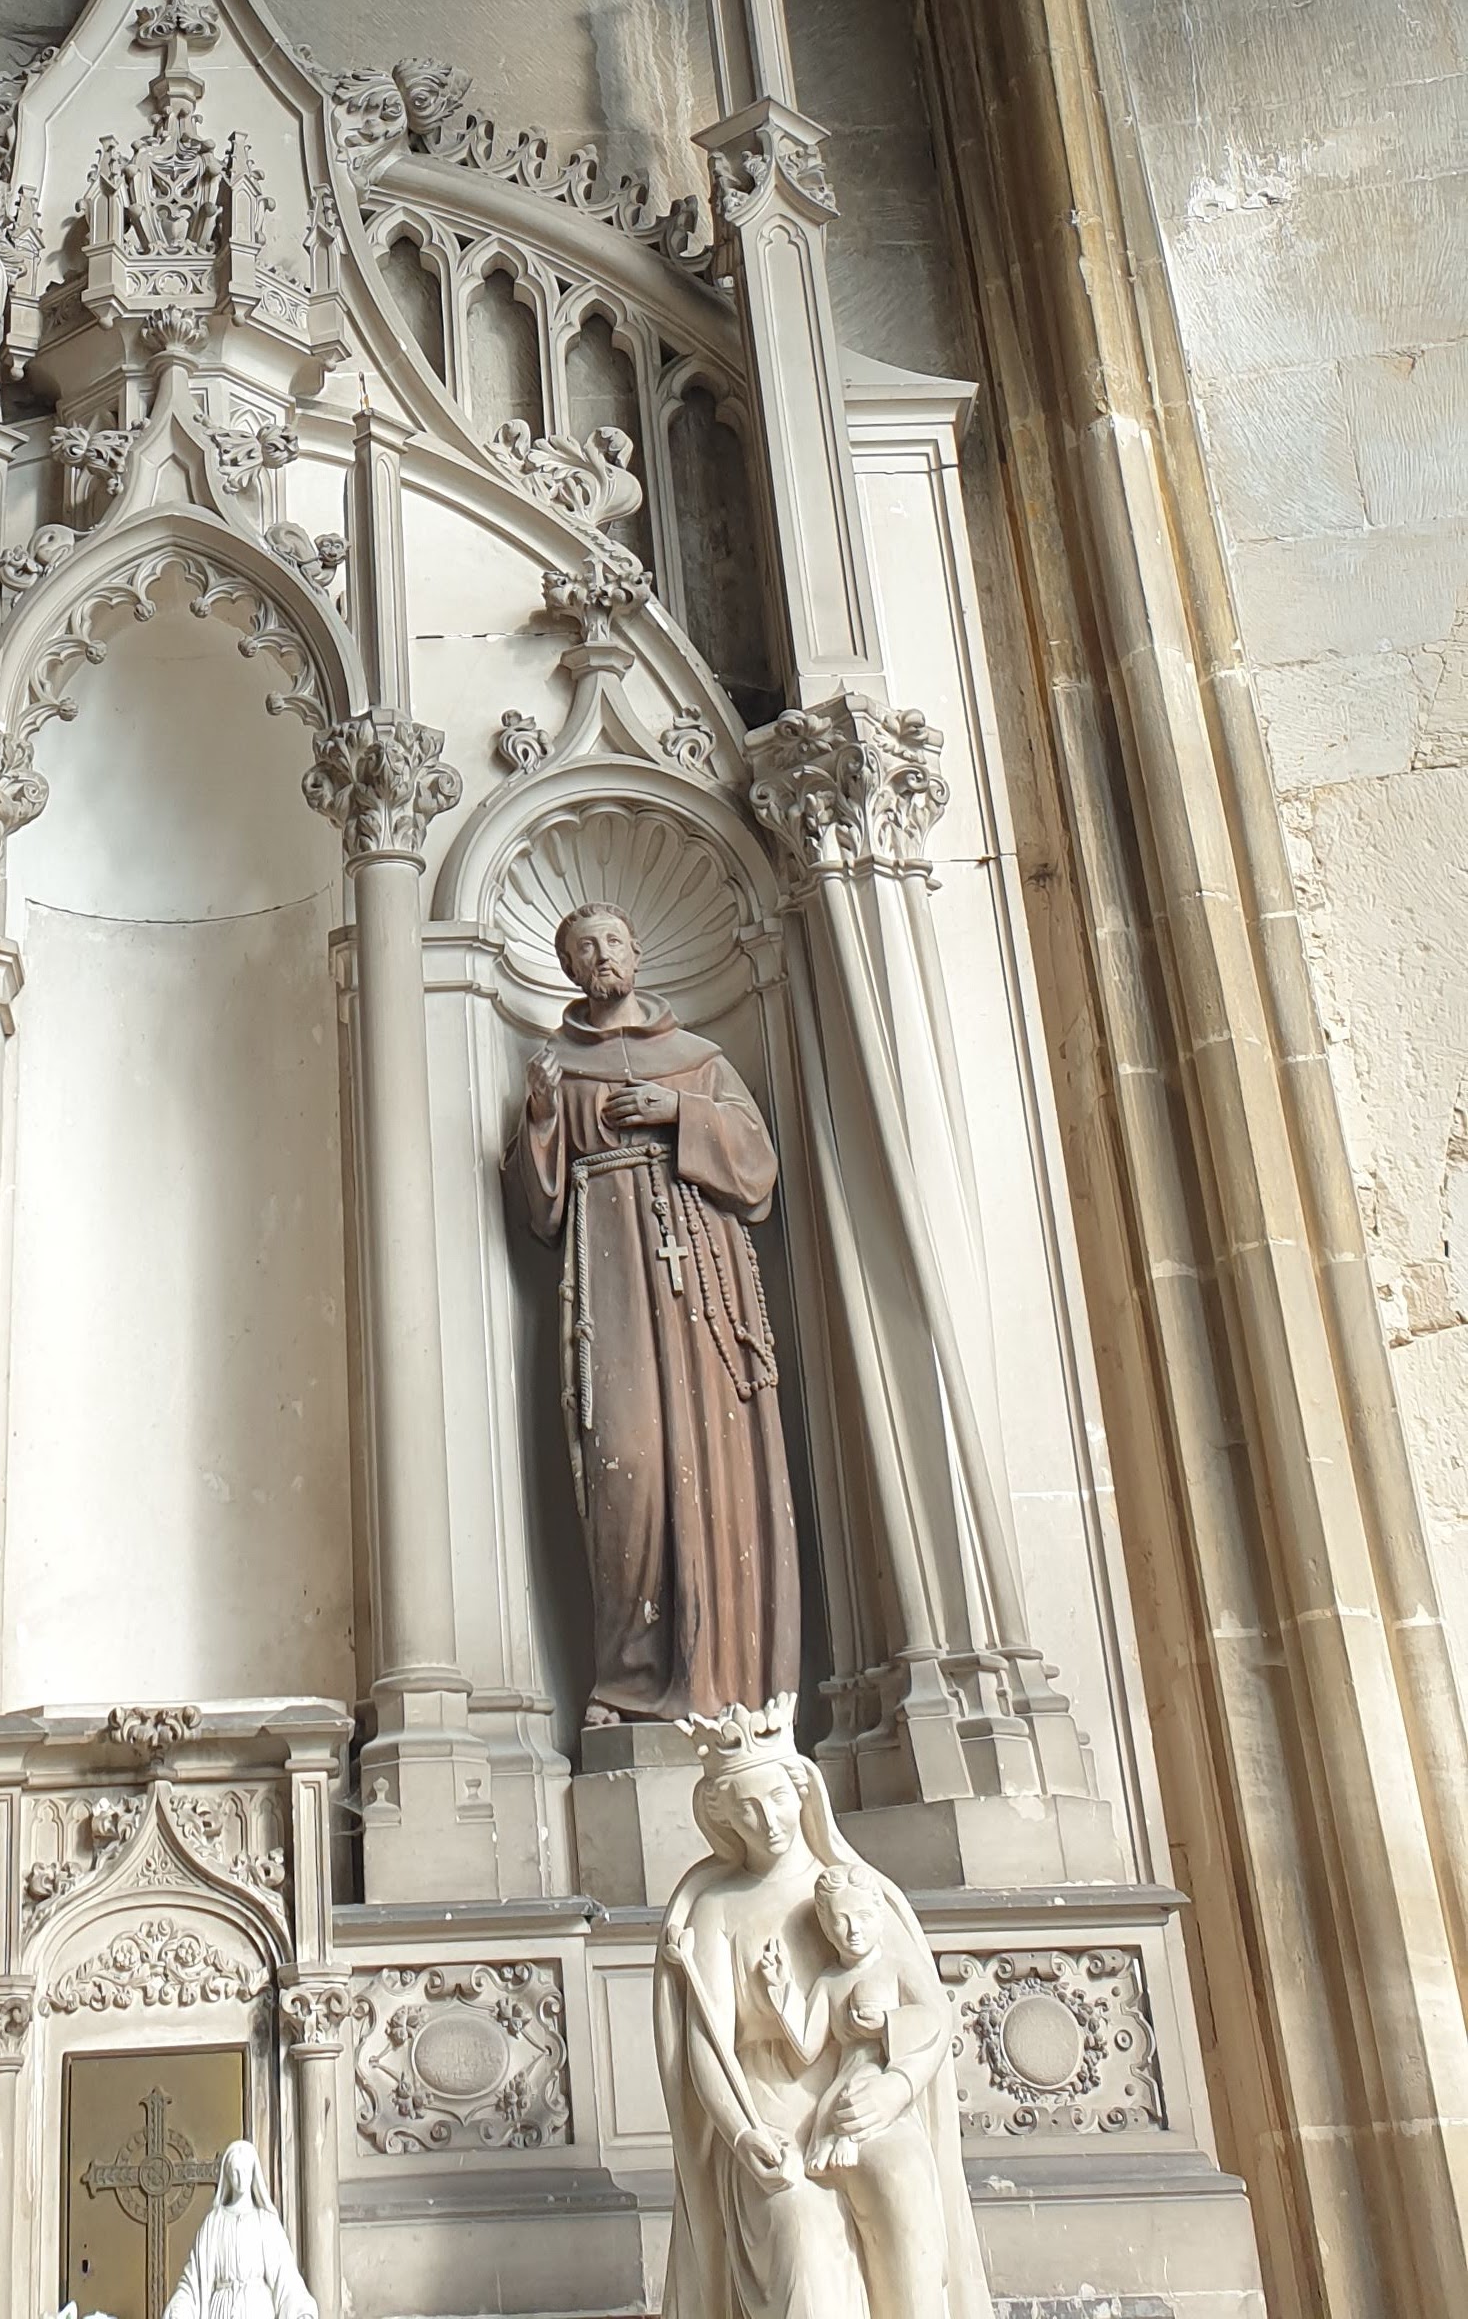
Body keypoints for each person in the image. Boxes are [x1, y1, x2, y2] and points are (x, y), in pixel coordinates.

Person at [505, 901, 800, 1721]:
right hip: (612, 1285)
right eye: (584, 947)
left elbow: (758, 1168)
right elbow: (539, 1210)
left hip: (703, 1278)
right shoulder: (559, 1069)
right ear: (568, 969)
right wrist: (540, 1117)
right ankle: (633, 1681)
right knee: (626, 1465)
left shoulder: (698, 1061)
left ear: (636, 954)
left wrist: (681, 1115)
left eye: (612, 941)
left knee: (716, 1458)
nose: (601, 954)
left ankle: (731, 1682)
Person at [656, 1717, 989, 2319]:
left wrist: (896, 2087)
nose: (769, 1821)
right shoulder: (714, 1910)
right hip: (768, 2111)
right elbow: (706, 2047)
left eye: (778, 1798)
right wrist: (742, 2134)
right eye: (748, 1809)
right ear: (722, 1816)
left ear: (804, 1792)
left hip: (864, 2101)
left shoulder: (858, 1891)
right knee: (800, 2228)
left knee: (905, 2188)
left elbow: (931, 2012)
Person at [160, 2142, 314, 2319]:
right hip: (222, 2310)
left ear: (253, 2173)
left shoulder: (266, 2222)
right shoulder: (214, 2223)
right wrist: (180, 2308)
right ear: (227, 2173)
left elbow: (285, 2275)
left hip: (257, 2309)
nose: (241, 2178)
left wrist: (301, 2309)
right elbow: (194, 2279)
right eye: (235, 2172)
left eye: (246, 2171)